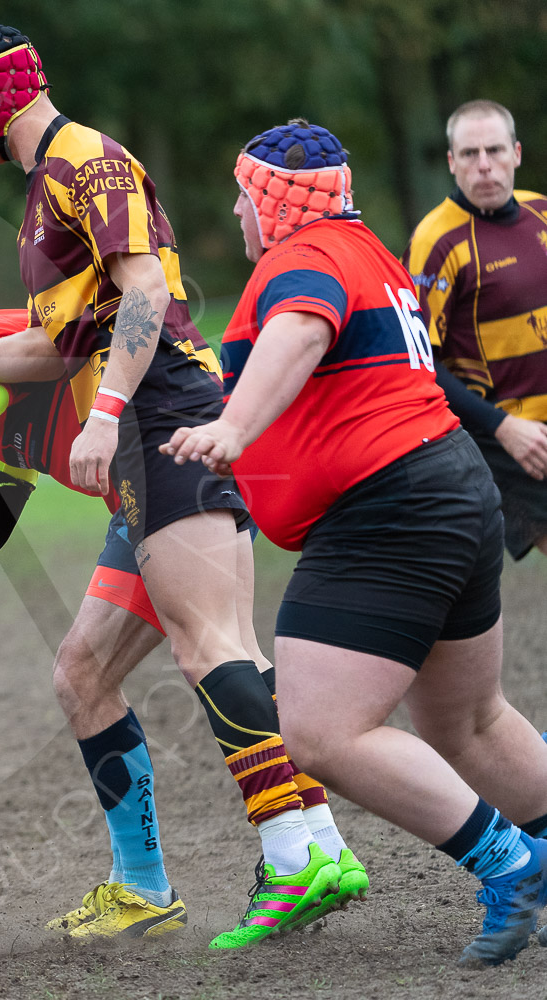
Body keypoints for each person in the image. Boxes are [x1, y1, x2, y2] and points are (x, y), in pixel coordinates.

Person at [0, 25, 353, 945]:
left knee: (211, 646)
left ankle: (300, 853)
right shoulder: (42, 191)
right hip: (148, 413)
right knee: (91, 670)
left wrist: (105, 416)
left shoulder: (84, 160)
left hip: (158, 410)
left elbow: (143, 294)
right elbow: (56, 345)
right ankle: (223, 870)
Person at [0, 271, 365, 944]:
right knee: (192, 657)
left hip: (169, 476)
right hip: (172, 484)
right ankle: (320, 847)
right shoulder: (1, 394)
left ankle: (216, 872)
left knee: (137, 664)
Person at [164, 118, 547, 967]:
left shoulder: (302, 257)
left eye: (243, 196)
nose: (236, 212)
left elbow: (302, 329)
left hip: (389, 511)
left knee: (317, 732)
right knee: (470, 722)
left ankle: (513, 865)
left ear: (274, 201)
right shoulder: (368, 248)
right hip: (453, 488)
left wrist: (233, 428)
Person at [405, 99, 547, 561]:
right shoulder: (436, 240)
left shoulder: (541, 212)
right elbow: (418, 361)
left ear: (516, 153)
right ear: (452, 162)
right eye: (470, 154)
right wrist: (502, 426)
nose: (484, 165)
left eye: (495, 150)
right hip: (507, 435)